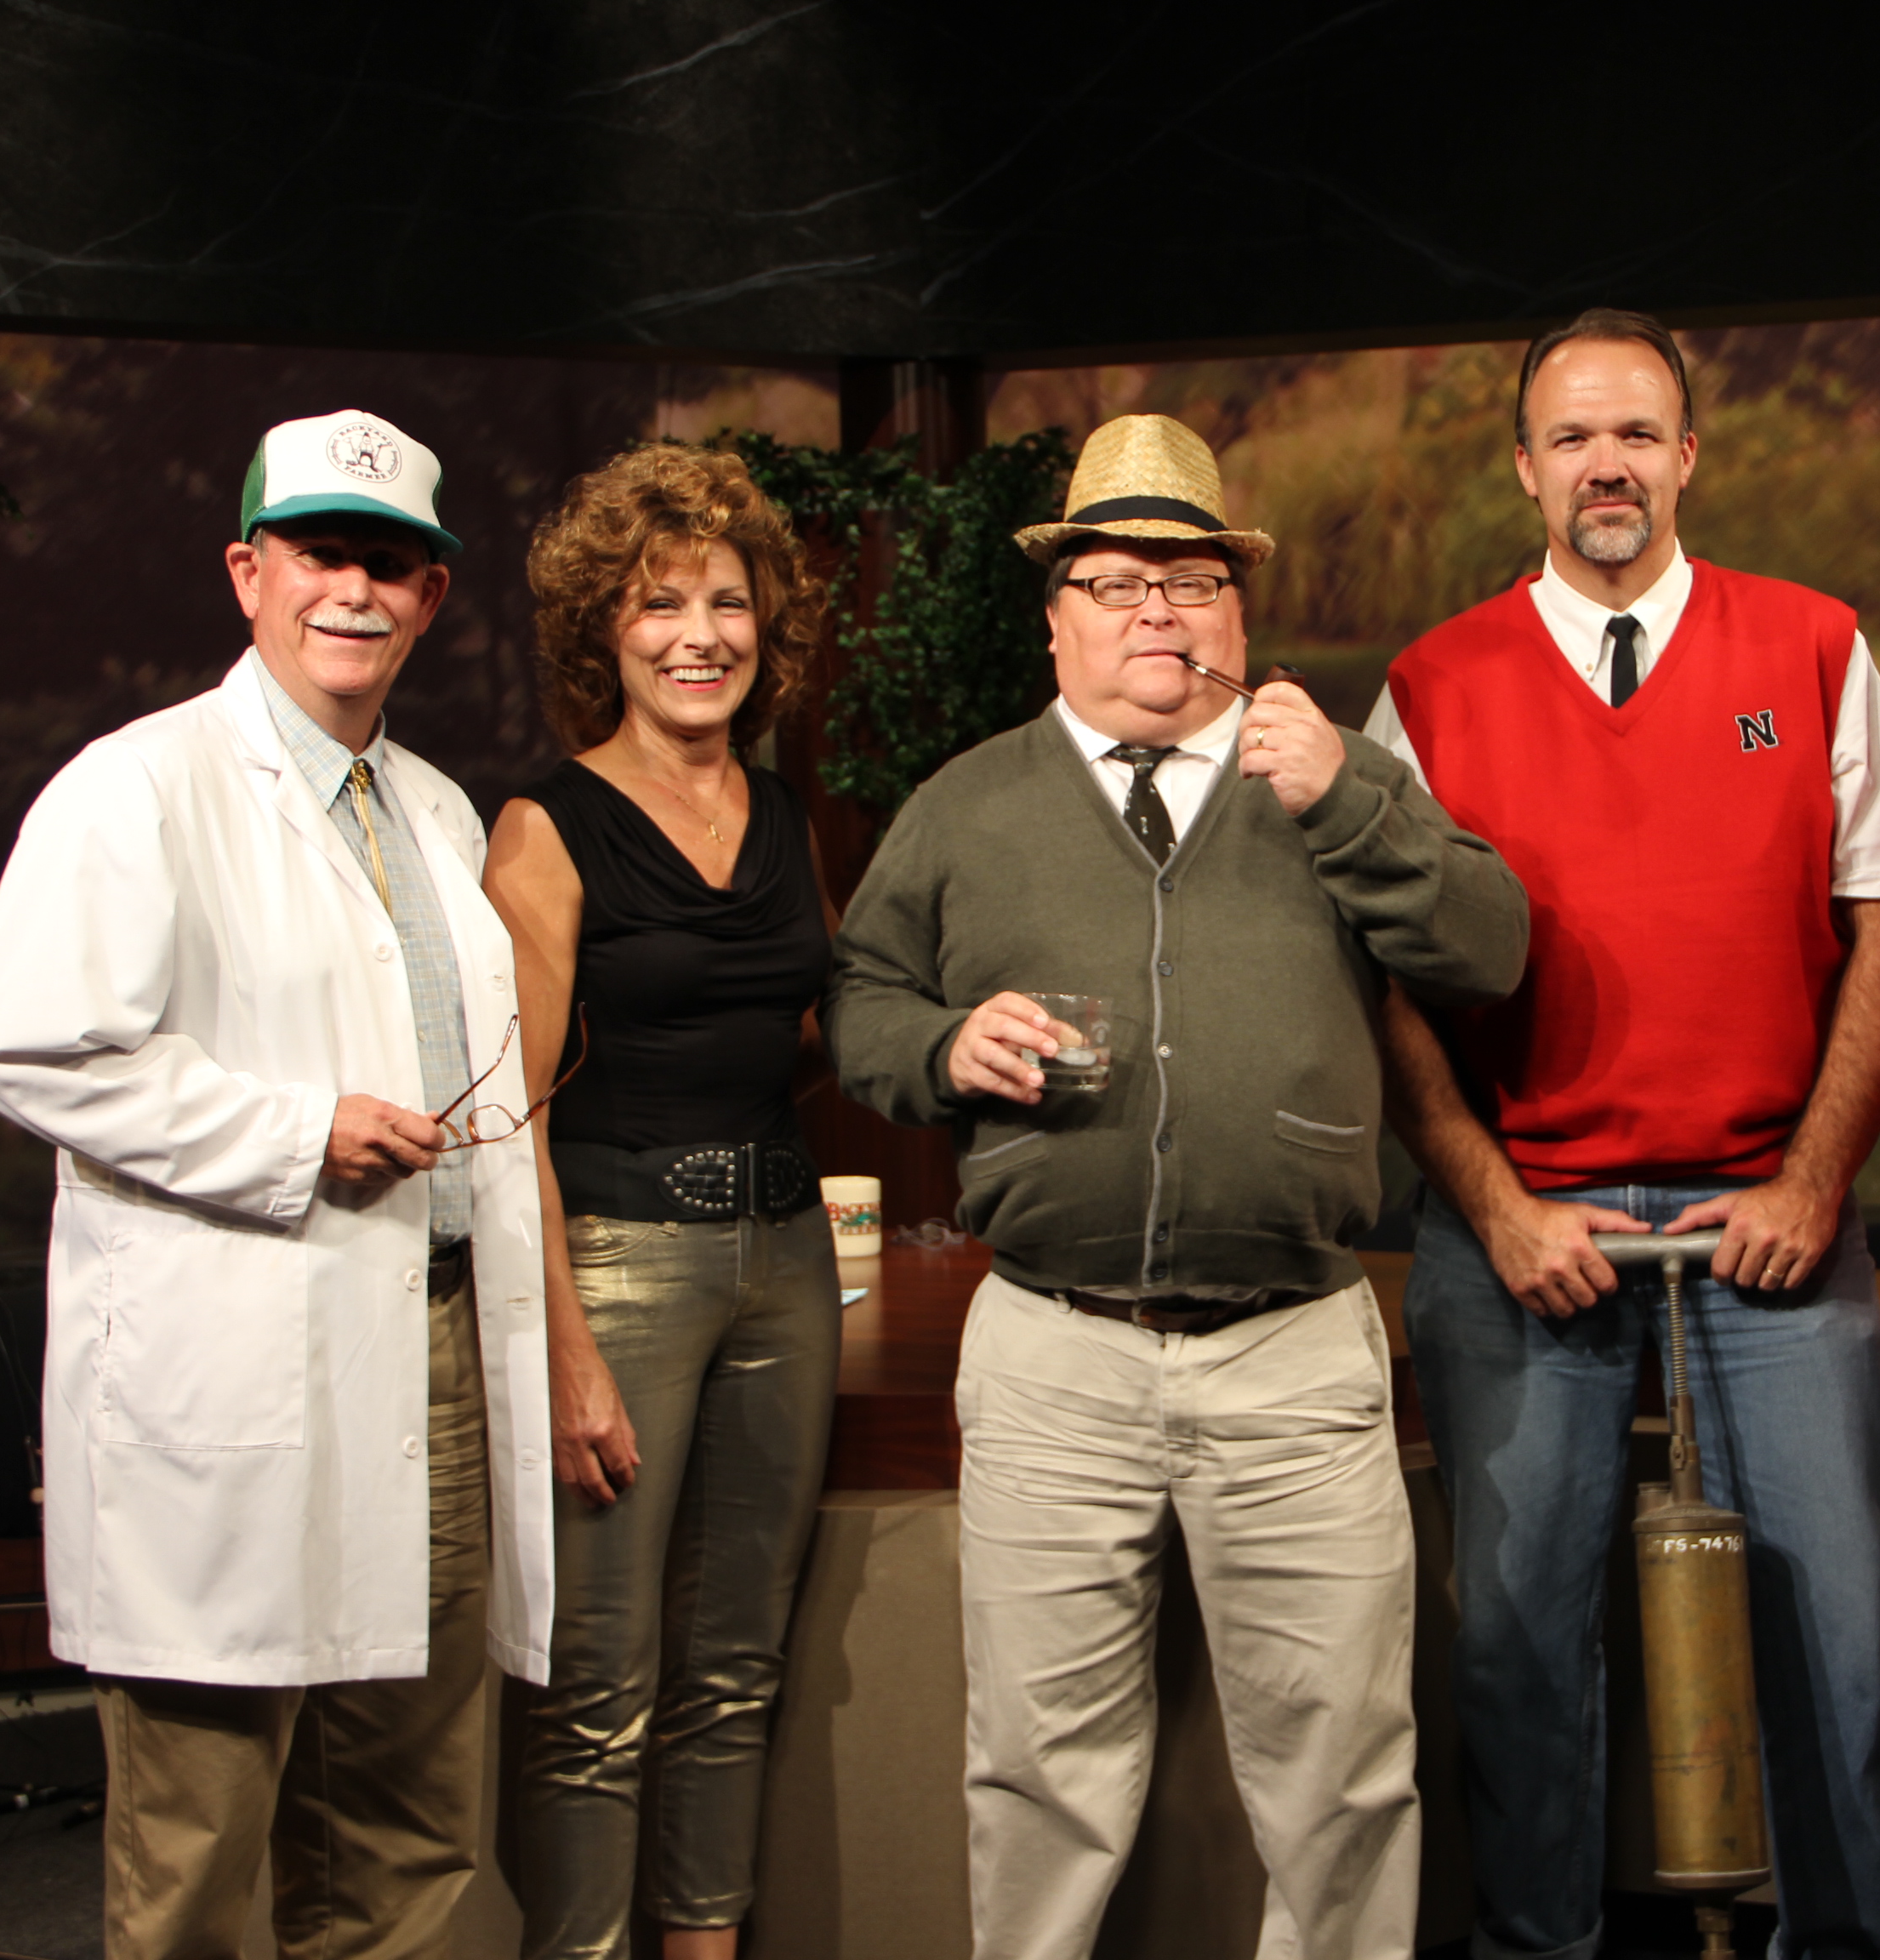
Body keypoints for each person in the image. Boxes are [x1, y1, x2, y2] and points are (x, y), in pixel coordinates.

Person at [829, 413, 1530, 1960]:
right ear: (1058, 615)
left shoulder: (1329, 781)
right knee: (1036, 1774)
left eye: (1192, 579)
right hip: (1052, 1354)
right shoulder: (970, 803)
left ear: (1238, 612)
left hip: (1293, 1350)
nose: (1157, 609)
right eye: (1116, 578)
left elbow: (1489, 946)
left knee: (1343, 1777)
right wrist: (947, 1047)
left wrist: (1345, 797)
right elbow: (861, 1007)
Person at [1364, 308, 1880, 1960]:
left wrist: (1817, 1178)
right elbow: (1390, 983)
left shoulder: (1811, 645)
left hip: (1767, 1227)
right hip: (1530, 1235)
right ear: (1525, 465)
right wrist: (1489, 1207)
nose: (1605, 463)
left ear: (1688, 456)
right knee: (1518, 1657)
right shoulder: (1435, 682)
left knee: (1833, 1647)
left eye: (1637, 434)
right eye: (1571, 436)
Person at [0, 409, 553, 1957]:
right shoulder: (136, 789)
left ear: (431, 598)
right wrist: (303, 1136)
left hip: (428, 1355)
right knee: (204, 1845)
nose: (353, 592)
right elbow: (34, 1053)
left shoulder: (430, 810)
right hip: (240, 1364)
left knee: (415, 1826)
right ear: (248, 572)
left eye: (392, 565)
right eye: (320, 556)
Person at [481, 442, 841, 1960]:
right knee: (596, 1689)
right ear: (602, 635)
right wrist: (562, 1348)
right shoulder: (545, 830)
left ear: (767, 629)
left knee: (735, 1671)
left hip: (788, 1264)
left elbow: (810, 1041)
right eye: (658, 605)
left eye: (727, 601)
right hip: (620, 1265)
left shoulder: (782, 815)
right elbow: (510, 1121)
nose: (699, 633)